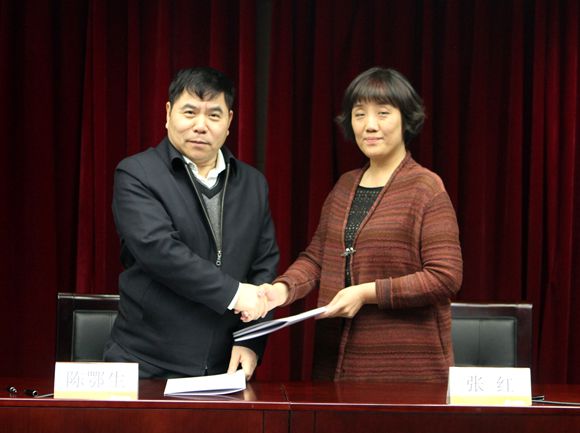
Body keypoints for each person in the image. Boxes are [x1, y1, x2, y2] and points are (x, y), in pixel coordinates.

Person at [262, 67, 463, 382]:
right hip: (335, 363)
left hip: (406, 369)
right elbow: (316, 258)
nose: (370, 125)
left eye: (383, 113)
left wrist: (367, 293)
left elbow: (445, 277)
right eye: (359, 114)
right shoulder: (345, 186)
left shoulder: (426, 187)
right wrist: (281, 290)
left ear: (406, 119)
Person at [104, 67, 279, 379]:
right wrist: (236, 294)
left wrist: (252, 340)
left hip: (224, 368)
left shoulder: (253, 184)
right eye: (190, 112)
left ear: (229, 121)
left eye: (214, 115)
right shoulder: (136, 174)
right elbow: (160, 251)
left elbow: (264, 266)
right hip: (146, 364)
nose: (201, 125)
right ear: (168, 113)